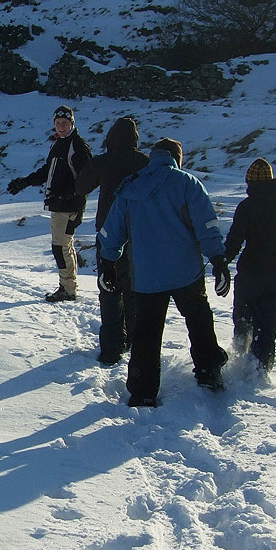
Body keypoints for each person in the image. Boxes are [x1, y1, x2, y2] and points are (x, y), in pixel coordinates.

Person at [99, 137, 231, 406]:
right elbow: (207, 226)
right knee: (199, 321)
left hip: (146, 277)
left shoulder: (131, 186)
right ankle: (208, 371)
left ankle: (143, 390)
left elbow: (112, 232)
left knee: (146, 333)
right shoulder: (188, 184)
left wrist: (109, 262)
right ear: (176, 158)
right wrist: (218, 260)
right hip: (187, 274)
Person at [75, 116, 149, 364]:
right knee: (133, 288)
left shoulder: (103, 162)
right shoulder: (145, 163)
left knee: (109, 287)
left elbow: (81, 187)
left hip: (108, 232)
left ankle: (111, 347)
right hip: (138, 232)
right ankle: (132, 340)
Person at [223, 158, 276, 373]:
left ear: (250, 182)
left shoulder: (246, 206)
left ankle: (238, 364)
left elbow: (235, 240)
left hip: (250, 275)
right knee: (268, 328)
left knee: (243, 321)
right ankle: (260, 372)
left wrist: (222, 261)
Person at [7, 105, 92, 302]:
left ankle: (68, 290)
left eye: (64, 123)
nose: (61, 127)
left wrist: (69, 196)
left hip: (69, 207)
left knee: (60, 247)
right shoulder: (58, 144)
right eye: (57, 124)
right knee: (64, 246)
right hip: (59, 205)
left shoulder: (77, 146)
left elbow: (87, 179)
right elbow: (48, 171)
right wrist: (24, 182)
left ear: (72, 123)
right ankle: (68, 287)